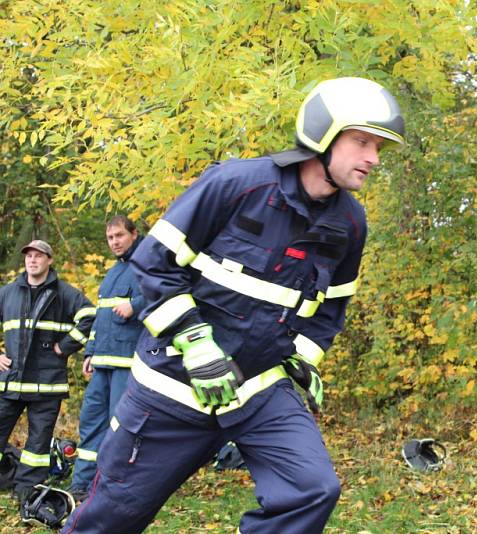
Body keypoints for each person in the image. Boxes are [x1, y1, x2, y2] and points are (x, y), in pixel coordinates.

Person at [62, 76, 405, 534]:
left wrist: (301, 361)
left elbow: (332, 309)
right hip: (173, 388)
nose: (373, 158)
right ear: (322, 134)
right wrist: (195, 343)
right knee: (109, 520)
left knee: (311, 489)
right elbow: (155, 264)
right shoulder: (236, 184)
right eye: (362, 142)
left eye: (379, 146)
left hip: (259, 392)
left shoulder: (349, 223)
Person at [0, 240, 95, 502]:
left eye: (38, 256)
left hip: (47, 383)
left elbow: (90, 316)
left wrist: (64, 347)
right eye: (29, 256)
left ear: (49, 260)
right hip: (11, 382)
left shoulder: (64, 293)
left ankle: (26, 491)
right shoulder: (7, 293)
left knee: (38, 445)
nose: (32, 260)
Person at [68, 216, 144, 501]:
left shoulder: (146, 265)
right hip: (102, 362)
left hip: (128, 362)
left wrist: (135, 306)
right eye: (110, 238)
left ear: (134, 234)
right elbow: (100, 317)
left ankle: (116, 484)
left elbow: (167, 293)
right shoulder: (114, 272)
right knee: (90, 422)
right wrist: (90, 352)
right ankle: (83, 483)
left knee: (119, 426)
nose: (114, 242)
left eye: (119, 236)